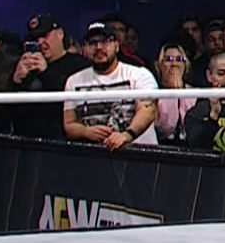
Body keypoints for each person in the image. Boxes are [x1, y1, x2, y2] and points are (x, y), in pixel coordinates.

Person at [62, 21, 159, 149]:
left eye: (105, 41)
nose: (99, 47)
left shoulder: (139, 74)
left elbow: (148, 111)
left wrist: (126, 135)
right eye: (92, 43)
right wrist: (86, 131)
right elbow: (69, 123)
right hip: (95, 155)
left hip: (138, 153)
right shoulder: (74, 81)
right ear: (84, 48)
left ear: (116, 46)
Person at [10, 14, 91, 139]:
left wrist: (46, 73)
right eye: (35, 39)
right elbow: (9, 113)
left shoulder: (79, 65)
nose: (40, 42)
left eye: (44, 36)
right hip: (26, 141)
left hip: (62, 141)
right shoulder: (25, 65)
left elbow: (74, 103)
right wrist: (16, 81)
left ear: (60, 34)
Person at [152, 40, 198, 144]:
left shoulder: (195, 94)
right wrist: (173, 95)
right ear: (158, 65)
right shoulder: (153, 93)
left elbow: (192, 128)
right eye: (168, 59)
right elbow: (164, 129)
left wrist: (181, 93)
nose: (174, 64)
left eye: (179, 59)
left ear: (185, 65)